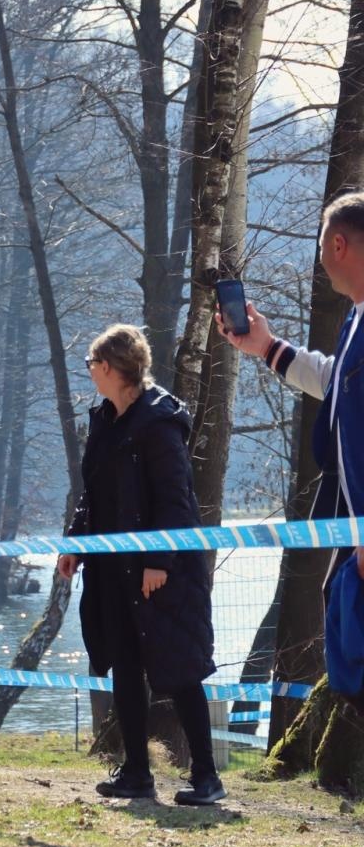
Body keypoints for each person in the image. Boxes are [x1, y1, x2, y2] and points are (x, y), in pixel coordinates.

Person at [57, 325, 223, 806]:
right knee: (126, 668)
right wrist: (76, 544)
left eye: (92, 364)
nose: (90, 373)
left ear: (108, 367)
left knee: (180, 667)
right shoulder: (104, 419)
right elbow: (94, 494)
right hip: (112, 570)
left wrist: (158, 561)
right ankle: (136, 774)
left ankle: (207, 777)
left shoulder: (159, 422)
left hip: (159, 570)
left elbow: (176, 499)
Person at [220, 190, 364, 717]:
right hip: (350, 527)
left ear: (340, 243)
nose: (320, 255)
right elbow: (334, 380)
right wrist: (265, 346)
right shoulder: (354, 319)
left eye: (322, 242)